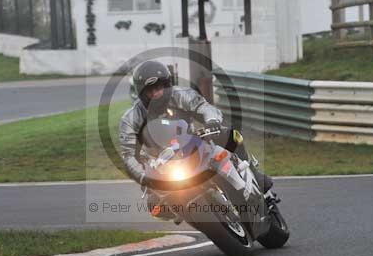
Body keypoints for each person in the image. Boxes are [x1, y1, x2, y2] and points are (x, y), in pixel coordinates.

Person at [119, 60, 278, 219]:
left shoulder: (181, 95)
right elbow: (128, 155)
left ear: (167, 85)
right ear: (141, 93)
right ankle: (195, 215)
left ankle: (255, 175)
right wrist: (142, 175)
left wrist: (212, 122)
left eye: (159, 88)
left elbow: (204, 108)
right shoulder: (131, 118)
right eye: (150, 91)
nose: (156, 94)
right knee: (155, 206)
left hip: (193, 145)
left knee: (229, 134)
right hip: (163, 164)